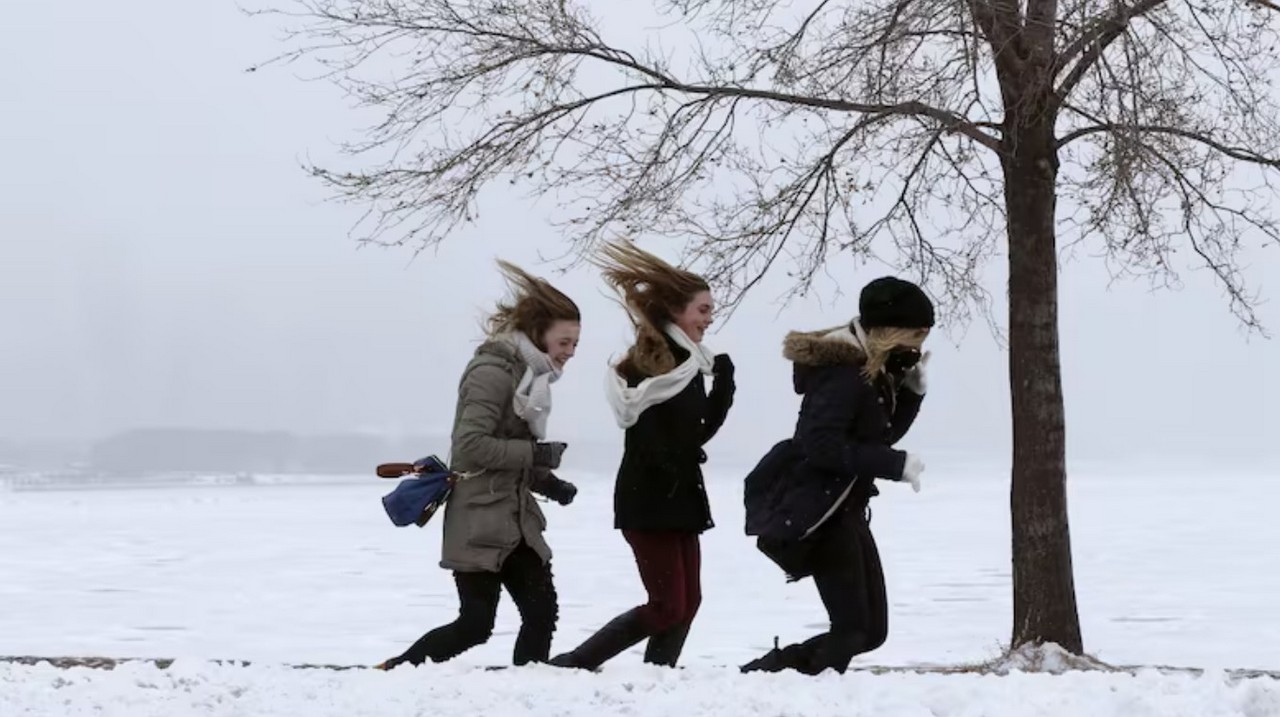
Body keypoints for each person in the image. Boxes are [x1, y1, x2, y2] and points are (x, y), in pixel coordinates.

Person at [376, 260, 581, 670]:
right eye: (564, 341)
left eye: (575, 343)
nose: (570, 352)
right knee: (475, 625)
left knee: (541, 614)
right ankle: (396, 671)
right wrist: (536, 456)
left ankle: (530, 689)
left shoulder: (530, 379)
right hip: (478, 520)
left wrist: (548, 482)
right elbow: (471, 446)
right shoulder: (492, 373)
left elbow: (512, 446)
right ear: (538, 332)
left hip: (516, 518)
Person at [549, 241, 735, 670]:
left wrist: (723, 384)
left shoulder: (690, 366)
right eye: (702, 310)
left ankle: (658, 677)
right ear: (675, 311)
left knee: (688, 602)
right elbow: (667, 439)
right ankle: (575, 663)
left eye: (710, 311)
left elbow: (698, 432)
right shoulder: (646, 367)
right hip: (649, 497)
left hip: (681, 496)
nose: (709, 319)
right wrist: (675, 461)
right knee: (667, 604)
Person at [738, 276, 934, 675]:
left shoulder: (869, 371)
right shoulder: (843, 374)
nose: (918, 348)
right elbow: (819, 446)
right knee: (852, 630)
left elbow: (879, 436)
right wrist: (895, 465)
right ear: (888, 331)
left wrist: (911, 395)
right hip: (821, 511)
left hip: (845, 508)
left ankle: (774, 671)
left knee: (871, 631)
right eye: (916, 335)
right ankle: (770, 677)